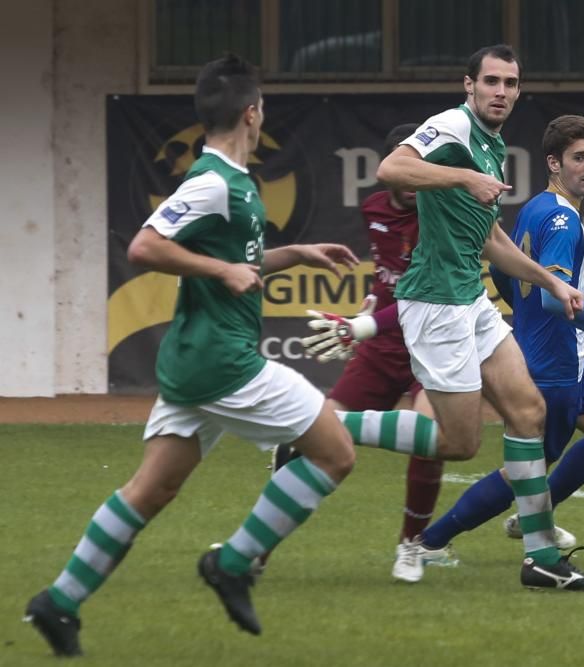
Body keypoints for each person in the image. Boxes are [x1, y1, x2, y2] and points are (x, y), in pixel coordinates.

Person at [21, 54, 439, 657]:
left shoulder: (236, 186)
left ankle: (57, 602)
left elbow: (239, 267)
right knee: (334, 453)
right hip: (223, 363)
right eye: (261, 105)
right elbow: (145, 246)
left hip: (196, 363)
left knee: (150, 491)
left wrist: (293, 253)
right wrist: (218, 267)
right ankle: (235, 562)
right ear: (252, 113)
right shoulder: (213, 181)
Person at [310, 45, 584, 592]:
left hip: (469, 298)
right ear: (468, 84)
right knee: (459, 443)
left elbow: (492, 240)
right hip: (435, 305)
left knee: (528, 411)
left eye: (511, 83)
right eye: (491, 81)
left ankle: (541, 560)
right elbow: (390, 168)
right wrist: (461, 178)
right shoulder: (452, 124)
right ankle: (313, 425)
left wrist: (550, 280)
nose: (501, 91)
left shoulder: (491, 145)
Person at [407, 114, 584, 581]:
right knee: (523, 470)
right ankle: (429, 541)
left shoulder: (534, 208)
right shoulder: (564, 220)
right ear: (554, 163)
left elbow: (508, 272)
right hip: (553, 365)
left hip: (568, 358)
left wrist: (524, 313)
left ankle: (528, 516)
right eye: (578, 158)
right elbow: (556, 300)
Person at [269, 123, 457, 582]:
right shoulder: (372, 207)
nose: (414, 180)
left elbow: (426, 293)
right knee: (317, 438)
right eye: (406, 169)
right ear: (388, 172)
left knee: (431, 439)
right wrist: (368, 310)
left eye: (422, 169)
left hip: (430, 344)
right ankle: (256, 544)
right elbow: (387, 277)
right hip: (382, 343)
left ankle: (411, 545)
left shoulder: (442, 213)